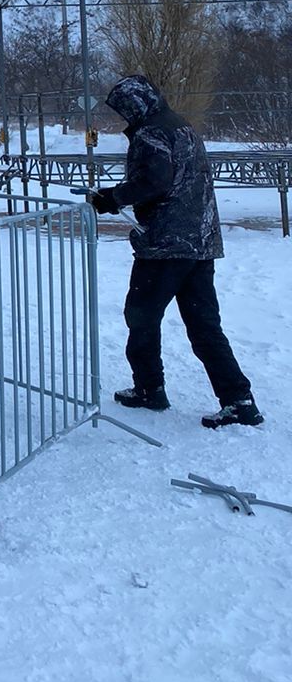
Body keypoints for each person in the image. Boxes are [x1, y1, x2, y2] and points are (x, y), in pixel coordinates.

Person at [90, 75, 262, 428]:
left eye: (124, 108)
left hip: (166, 246)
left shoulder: (150, 132)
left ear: (135, 104)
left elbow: (156, 180)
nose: (124, 115)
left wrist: (113, 197)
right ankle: (239, 400)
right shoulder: (180, 125)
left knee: (140, 316)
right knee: (204, 324)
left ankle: (149, 388)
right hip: (200, 242)